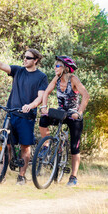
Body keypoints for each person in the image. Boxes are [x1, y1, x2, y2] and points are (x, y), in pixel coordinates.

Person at [0, 49, 48, 185]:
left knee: (25, 147)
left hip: (27, 116)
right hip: (11, 114)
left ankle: (21, 176)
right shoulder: (18, 71)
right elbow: (1, 65)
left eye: (28, 57)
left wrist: (31, 106)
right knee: (6, 145)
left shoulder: (41, 77)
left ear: (36, 60)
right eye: (24, 56)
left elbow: (40, 97)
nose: (25, 59)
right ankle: (0, 176)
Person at [39, 55, 89, 186]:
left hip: (73, 115)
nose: (55, 68)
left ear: (66, 68)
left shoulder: (73, 79)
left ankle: (73, 177)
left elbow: (86, 95)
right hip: (61, 112)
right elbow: (46, 92)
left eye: (57, 66)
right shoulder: (56, 79)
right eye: (54, 65)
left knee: (74, 147)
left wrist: (79, 112)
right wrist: (44, 107)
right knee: (43, 120)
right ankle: (47, 146)